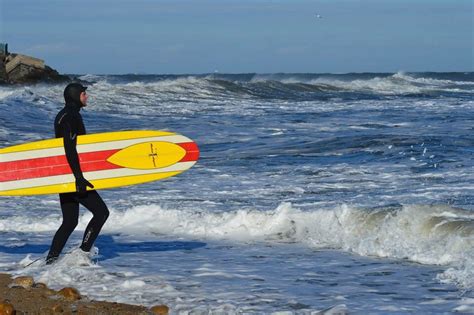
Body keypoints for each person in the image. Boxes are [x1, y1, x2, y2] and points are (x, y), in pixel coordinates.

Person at [46, 83, 109, 264]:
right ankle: (83, 254)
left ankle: (51, 261)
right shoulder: (71, 117)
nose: (86, 97)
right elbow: (69, 148)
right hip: (73, 176)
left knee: (70, 221)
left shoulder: (63, 115)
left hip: (64, 175)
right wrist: (79, 177)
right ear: (75, 96)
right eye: (84, 94)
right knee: (101, 213)